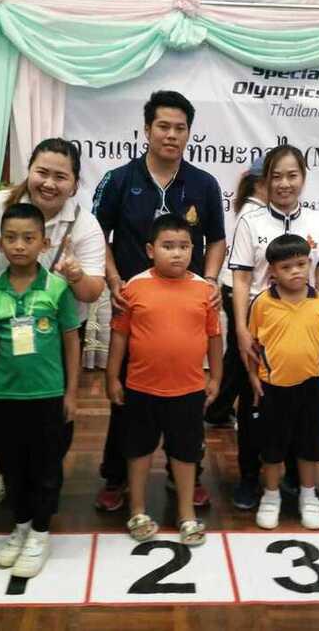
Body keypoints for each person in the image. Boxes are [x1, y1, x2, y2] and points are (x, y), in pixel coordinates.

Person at [91, 90, 226, 512]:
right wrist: (114, 280)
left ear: (189, 133)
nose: (171, 135)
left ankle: (185, 475)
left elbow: (217, 240)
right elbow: (97, 236)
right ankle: (116, 477)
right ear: (147, 129)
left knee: (186, 399)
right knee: (127, 397)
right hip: (134, 305)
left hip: (186, 308)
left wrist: (210, 280)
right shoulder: (118, 180)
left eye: (180, 128)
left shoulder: (204, 184)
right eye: (163, 126)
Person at [0, 138, 106, 509]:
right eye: (42, 172)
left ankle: (43, 482)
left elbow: (92, 291)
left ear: (74, 184)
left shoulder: (84, 224)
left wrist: (75, 275)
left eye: (61, 176)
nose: (49, 183)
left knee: (55, 420)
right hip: (1, 330)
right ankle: (9, 474)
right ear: (28, 171)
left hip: (56, 336)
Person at [0, 203, 80, 578]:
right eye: (11, 238)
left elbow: (71, 341)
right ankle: (20, 528)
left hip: (48, 396)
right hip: (6, 396)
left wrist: (71, 394)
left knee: (46, 467)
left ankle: (40, 534)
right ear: (0, 244)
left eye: (29, 238)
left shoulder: (57, 288)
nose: (19, 245)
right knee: (13, 467)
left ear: (43, 243)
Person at [228, 144, 319, 499]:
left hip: (307, 328)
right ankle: (250, 477)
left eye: (292, 175)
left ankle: (296, 478)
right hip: (261, 327)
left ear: (303, 178)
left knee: (305, 405)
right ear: (265, 180)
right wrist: (241, 329)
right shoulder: (250, 221)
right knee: (256, 403)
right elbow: (241, 280)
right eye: (276, 176)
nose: (284, 184)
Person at [106, 214, 222, 546]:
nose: (177, 253)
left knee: (186, 453)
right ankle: (138, 510)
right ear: (150, 250)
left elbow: (214, 336)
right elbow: (119, 336)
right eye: (168, 246)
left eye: (184, 246)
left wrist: (216, 376)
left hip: (188, 390)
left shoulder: (205, 290)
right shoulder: (133, 287)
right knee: (138, 450)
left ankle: (186, 513)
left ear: (193, 250)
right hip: (141, 389)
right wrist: (112, 376)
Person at [247, 235, 319, 531]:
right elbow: (252, 347)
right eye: (286, 267)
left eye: (300, 264)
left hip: (313, 386)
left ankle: (308, 496)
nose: (295, 271)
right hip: (273, 388)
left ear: (309, 263)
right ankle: (271, 496)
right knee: (273, 446)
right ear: (272, 271)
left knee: (310, 444)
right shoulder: (262, 303)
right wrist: (253, 378)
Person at [202, 158, 268, 510]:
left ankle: (217, 408)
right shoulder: (253, 214)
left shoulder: (255, 210)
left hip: (242, 293)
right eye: (273, 178)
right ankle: (222, 409)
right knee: (243, 359)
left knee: (236, 356)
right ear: (258, 183)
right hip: (242, 292)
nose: (282, 185)